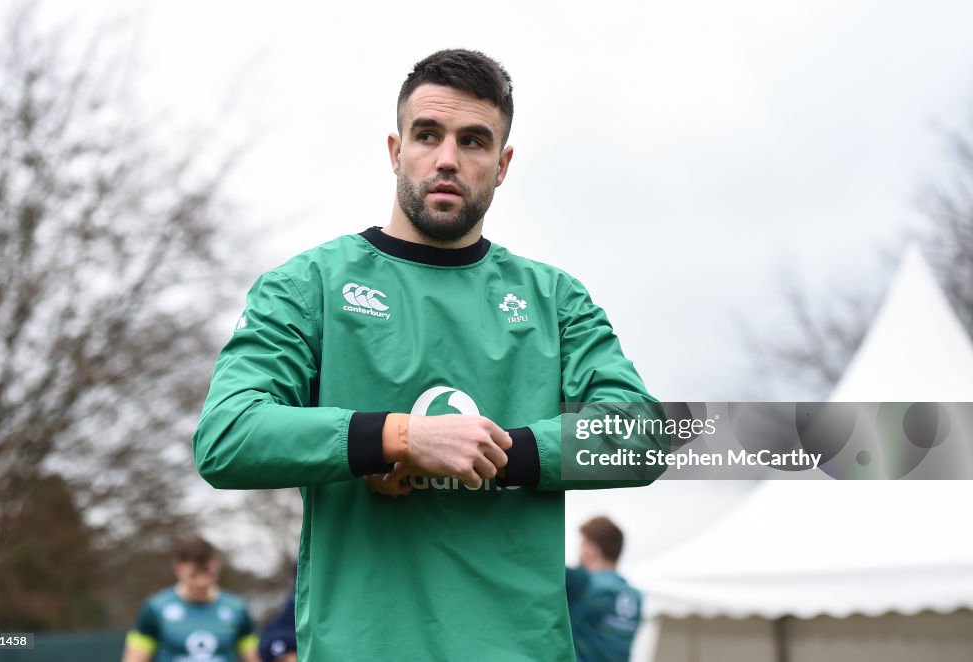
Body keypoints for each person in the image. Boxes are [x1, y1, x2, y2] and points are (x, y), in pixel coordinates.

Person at [193, 49, 667, 660]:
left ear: (503, 164)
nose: (448, 159)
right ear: (396, 151)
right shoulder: (308, 284)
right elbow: (227, 435)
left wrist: (500, 452)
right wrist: (394, 438)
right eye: (427, 135)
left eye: (474, 141)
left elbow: (644, 435)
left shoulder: (554, 299)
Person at [122, 536, 259, 662]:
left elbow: (253, 657)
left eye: (209, 574)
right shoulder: (155, 608)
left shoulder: (237, 608)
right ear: (178, 568)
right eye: (194, 575)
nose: (202, 582)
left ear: (217, 566)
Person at [567, 517, 644, 662]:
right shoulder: (636, 597)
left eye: (582, 544)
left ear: (591, 549)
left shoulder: (582, 582)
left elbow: (544, 568)